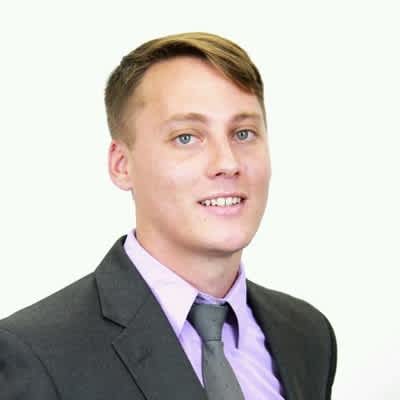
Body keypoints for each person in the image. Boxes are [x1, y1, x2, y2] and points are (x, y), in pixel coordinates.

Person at [0, 32, 336, 400]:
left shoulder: (307, 335)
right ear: (122, 165)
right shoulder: (35, 355)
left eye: (243, 133)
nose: (228, 163)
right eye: (186, 137)